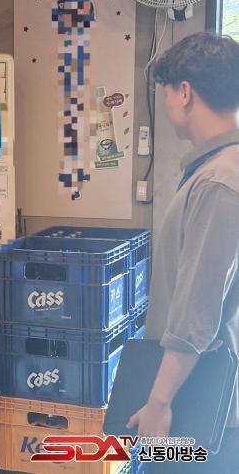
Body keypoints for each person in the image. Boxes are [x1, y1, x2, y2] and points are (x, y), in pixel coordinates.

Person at [127, 32, 239, 473]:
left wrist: (159, 402)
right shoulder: (218, 170)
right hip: (201, 386)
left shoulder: (218, 182)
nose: (168, 101)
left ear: (185, 92)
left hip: (197, 398)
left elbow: (198, 306)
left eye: (167, 91)